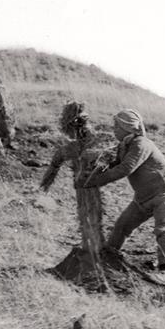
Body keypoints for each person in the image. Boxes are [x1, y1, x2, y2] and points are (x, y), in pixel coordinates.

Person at [80, 109, 165, 286]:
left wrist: (96, 181)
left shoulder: (141, 144)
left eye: (117, 126)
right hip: (142, 197)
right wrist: (93, 166)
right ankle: (107, 258)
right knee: (121, 227)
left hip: (163, 194)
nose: (114, 129)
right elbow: (111, 162)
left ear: (128, 127)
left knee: (164, 231)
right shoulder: (124, 146)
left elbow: (125, 168)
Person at [40, 101, 111, 261]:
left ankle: (95, 251)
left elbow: (56, 162)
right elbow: (56, 161)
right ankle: (91, 249)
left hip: (89, 186)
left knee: (90, 216)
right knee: (87, 216)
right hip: (83, 186)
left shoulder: (90, 142)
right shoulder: (74, 146)